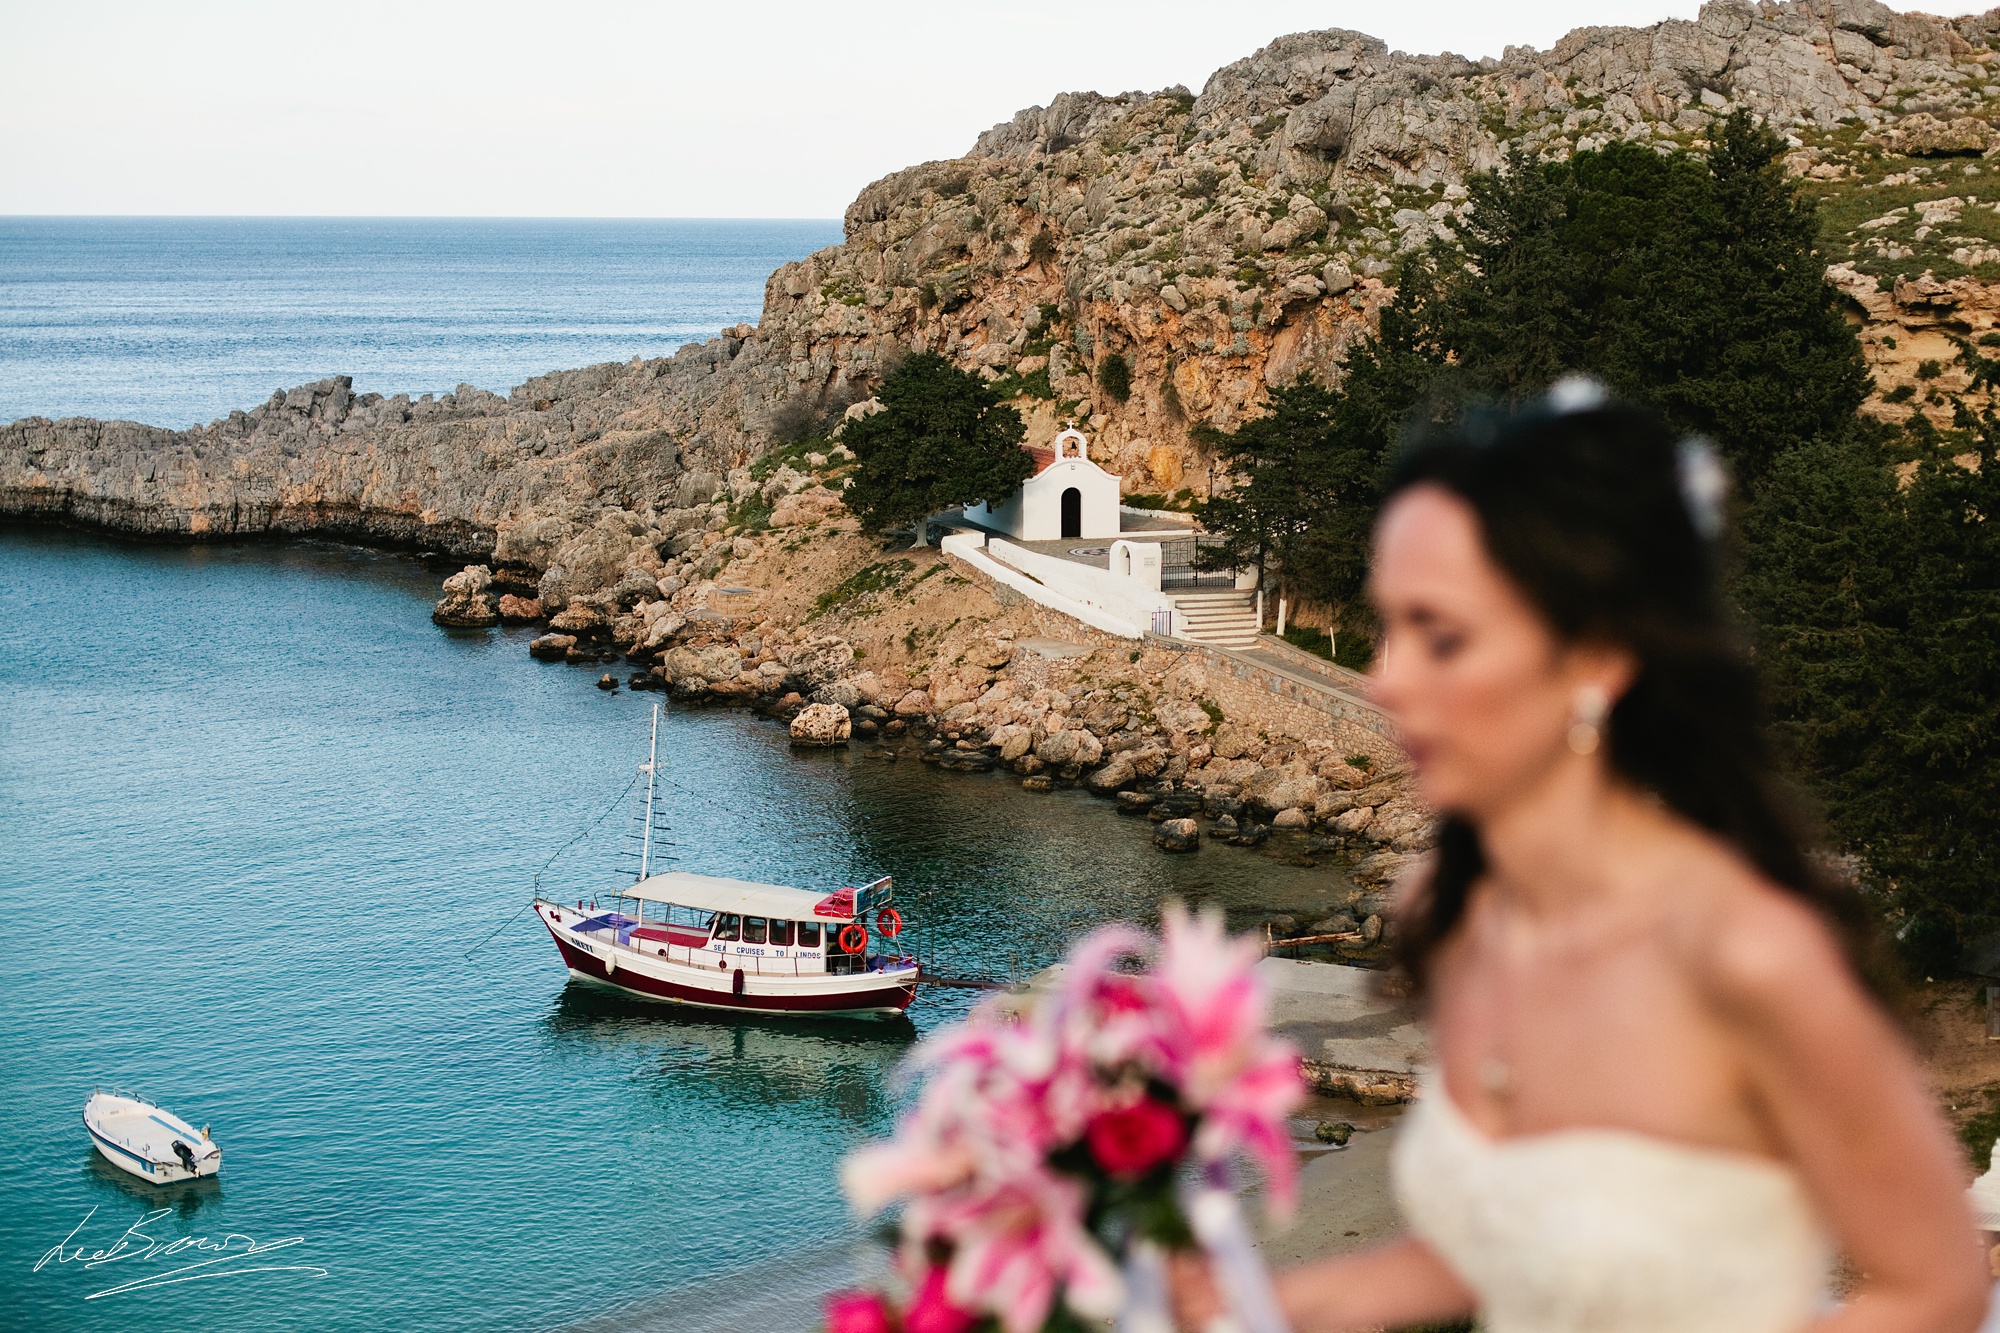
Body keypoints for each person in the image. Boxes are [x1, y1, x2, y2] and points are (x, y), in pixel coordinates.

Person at [1176, 384, 1988, 1332]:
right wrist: (1250, 1302)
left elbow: (1937, 1289)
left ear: (1596, 659)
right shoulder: (1458, 907)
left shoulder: (1748, 952)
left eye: (1444, 635)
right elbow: (1492, 1251)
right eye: (1391, 627)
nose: (1387, 681)